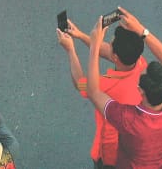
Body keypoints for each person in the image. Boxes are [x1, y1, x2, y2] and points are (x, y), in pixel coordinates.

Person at [85, 6, 162, 168]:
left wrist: (95, 45)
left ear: (142, 92)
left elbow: (93, 91)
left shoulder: (128, 120)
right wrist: (142, 31)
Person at [57, 17, 145, 169]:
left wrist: (71, 50)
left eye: (111, 44)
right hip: (132, 150)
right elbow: (108, 52)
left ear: (116, 57)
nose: (108, 45)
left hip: (108, 156)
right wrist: (81, 35)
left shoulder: (107, 86)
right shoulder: (140, 64)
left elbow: (81, 84)